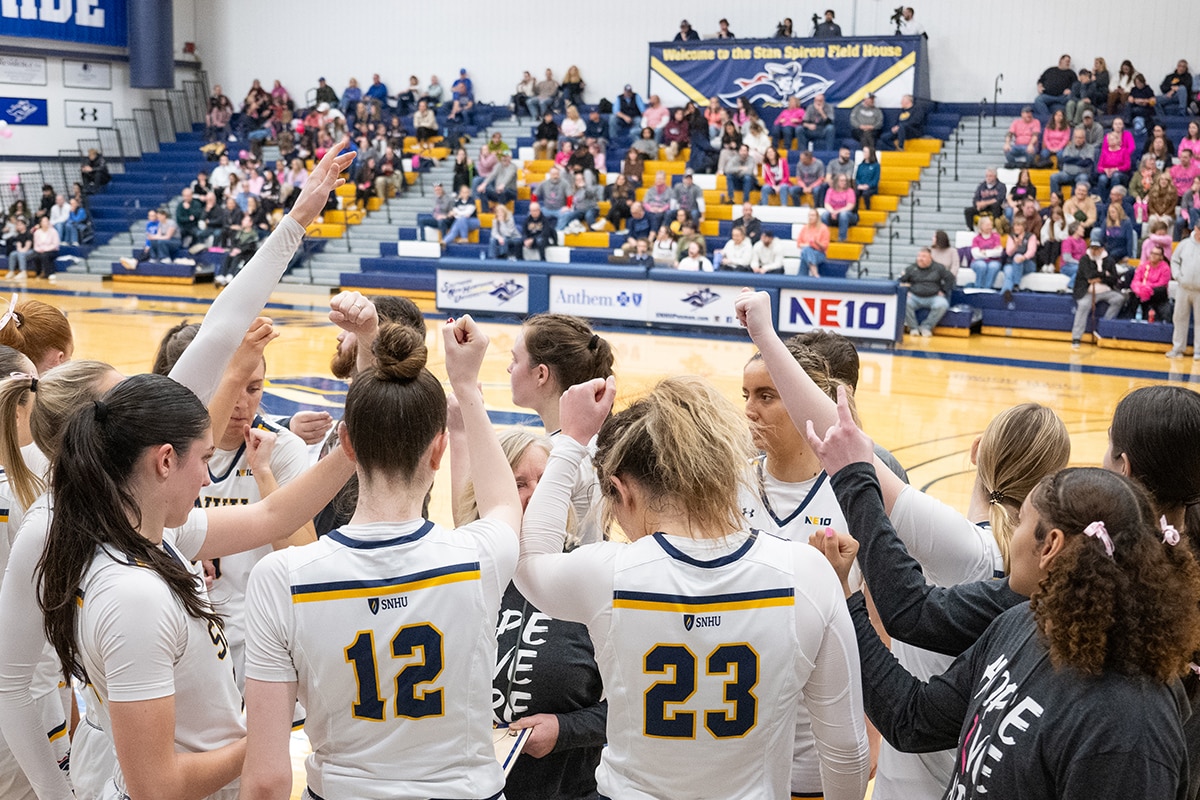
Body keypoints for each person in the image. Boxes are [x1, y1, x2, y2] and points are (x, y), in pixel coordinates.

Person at [807, 404, 1199, 799]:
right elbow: (912, 720)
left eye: (1022, 521)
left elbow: (912, 612)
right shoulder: (1020, 623)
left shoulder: (1130, 730)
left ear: (1051, 546)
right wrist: (848, 602)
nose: (1009, 537)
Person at [515, 374, 870, 800]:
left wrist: (571, 440)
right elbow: (847, 752)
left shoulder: (608, 575)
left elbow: (530, 558)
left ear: (622, 490)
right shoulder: (807, 574)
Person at [238, 315, 521, 800]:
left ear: (346, 444)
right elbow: (502, 503)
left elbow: (265, 779)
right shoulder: (477, 557)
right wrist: (467, 386)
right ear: (438, 451)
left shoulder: (280, 577)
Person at [1071, 229, 1123, 348]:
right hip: (1087, 291)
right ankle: (1076, 337)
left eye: (1097, 248)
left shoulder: (1109, 260)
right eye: (1092, 248)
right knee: (1083, 305)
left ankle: (1104, 326)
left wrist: (1101, 278)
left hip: (1105, 290)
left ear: (1102, 249)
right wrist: (1104, 274)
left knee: (1119, 299)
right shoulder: (1084, 259)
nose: (1094, 251)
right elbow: (1088, 276)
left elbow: (1114, 278)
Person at [902, 248, 954, 336]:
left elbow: (950, 278)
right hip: (915, 297)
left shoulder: (939, 267)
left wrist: (943, 290)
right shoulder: (911, 268)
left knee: (942, 304)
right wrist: (906, 291)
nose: (920, 258)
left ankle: (926, 327)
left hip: (933, 297)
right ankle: (913, 328)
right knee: (904, 303)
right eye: (919, 256)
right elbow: (901, 281)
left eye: (923, 256)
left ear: (930, 258)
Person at [1168, 224, 1200, 359]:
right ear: (1195, 228)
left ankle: (1198, 351)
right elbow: (1174, 261)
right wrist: (1177, 276)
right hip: (1183, 287)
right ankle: (1178, 348)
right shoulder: (1184, 244)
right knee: (1179, 318)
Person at [1000, 215, 1037, 305]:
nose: (1016, 228)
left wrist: (1023, 258)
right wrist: (1016, 245)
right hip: (1012, 263)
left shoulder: (1031, 236)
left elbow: (1031, 251)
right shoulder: (1011, 237)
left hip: (1028, 263)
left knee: (1018, 257)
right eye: (1015, 225)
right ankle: (1006, 292)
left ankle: (1016, 284)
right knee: (1009, 272)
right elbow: (1009, 252)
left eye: (1019, 225)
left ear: (1024, 226)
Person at [1049, 127, 1095, 197]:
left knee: (1083, 178)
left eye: (1080, 138)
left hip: (1081, 174)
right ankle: (1055, 199)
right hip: (1067, 174)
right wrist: (1079, 159)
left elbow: (1086, 162)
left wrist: (1072, 160)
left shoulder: (1090, 148)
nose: (1078, 140)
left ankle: (1077, 201)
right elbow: (1065, 159)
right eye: (1076, 137)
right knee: (1053, 177)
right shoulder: (1069, 147)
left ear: (1084, 138)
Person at [1131, 243, 1172, 319]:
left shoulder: (1165, 268)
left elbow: (1162, 283)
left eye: (1156, 254)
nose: (1153, 255)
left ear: (1161, 257)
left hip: (1157, 294)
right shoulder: (1144, 266)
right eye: (1152, 253)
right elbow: (1135, 280)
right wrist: (1140, 288)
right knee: (1133, 294)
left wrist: (1147, 287)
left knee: (1160, 290)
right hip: (1142, 292)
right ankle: (1131, 319)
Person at [820, 174, 858, 241]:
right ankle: (824, 238)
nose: (844, 182)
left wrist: (837, 212)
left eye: (845, 181)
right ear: (836, 181)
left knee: (843, 214)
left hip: (849, 215)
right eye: (842, 181)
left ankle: (842, 238)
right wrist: (832, 211)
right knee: (824, 215)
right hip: (833, 213)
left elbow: (850, 206)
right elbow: (826, 204)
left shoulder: (850, 191)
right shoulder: (830, 190)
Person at [29, 217, 59, 283]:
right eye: (44, 221)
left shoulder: (53, 231)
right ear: (40, 223)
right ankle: (38, 273)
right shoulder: (37, 232)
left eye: (47, 221)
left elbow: (55, 244)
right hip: (40, 250)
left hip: (52, 250)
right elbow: (35, 245)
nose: (46, 223)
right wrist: (39, 249)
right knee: (35, 256)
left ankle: (47, 273)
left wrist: (45, 249)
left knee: (45, 255)